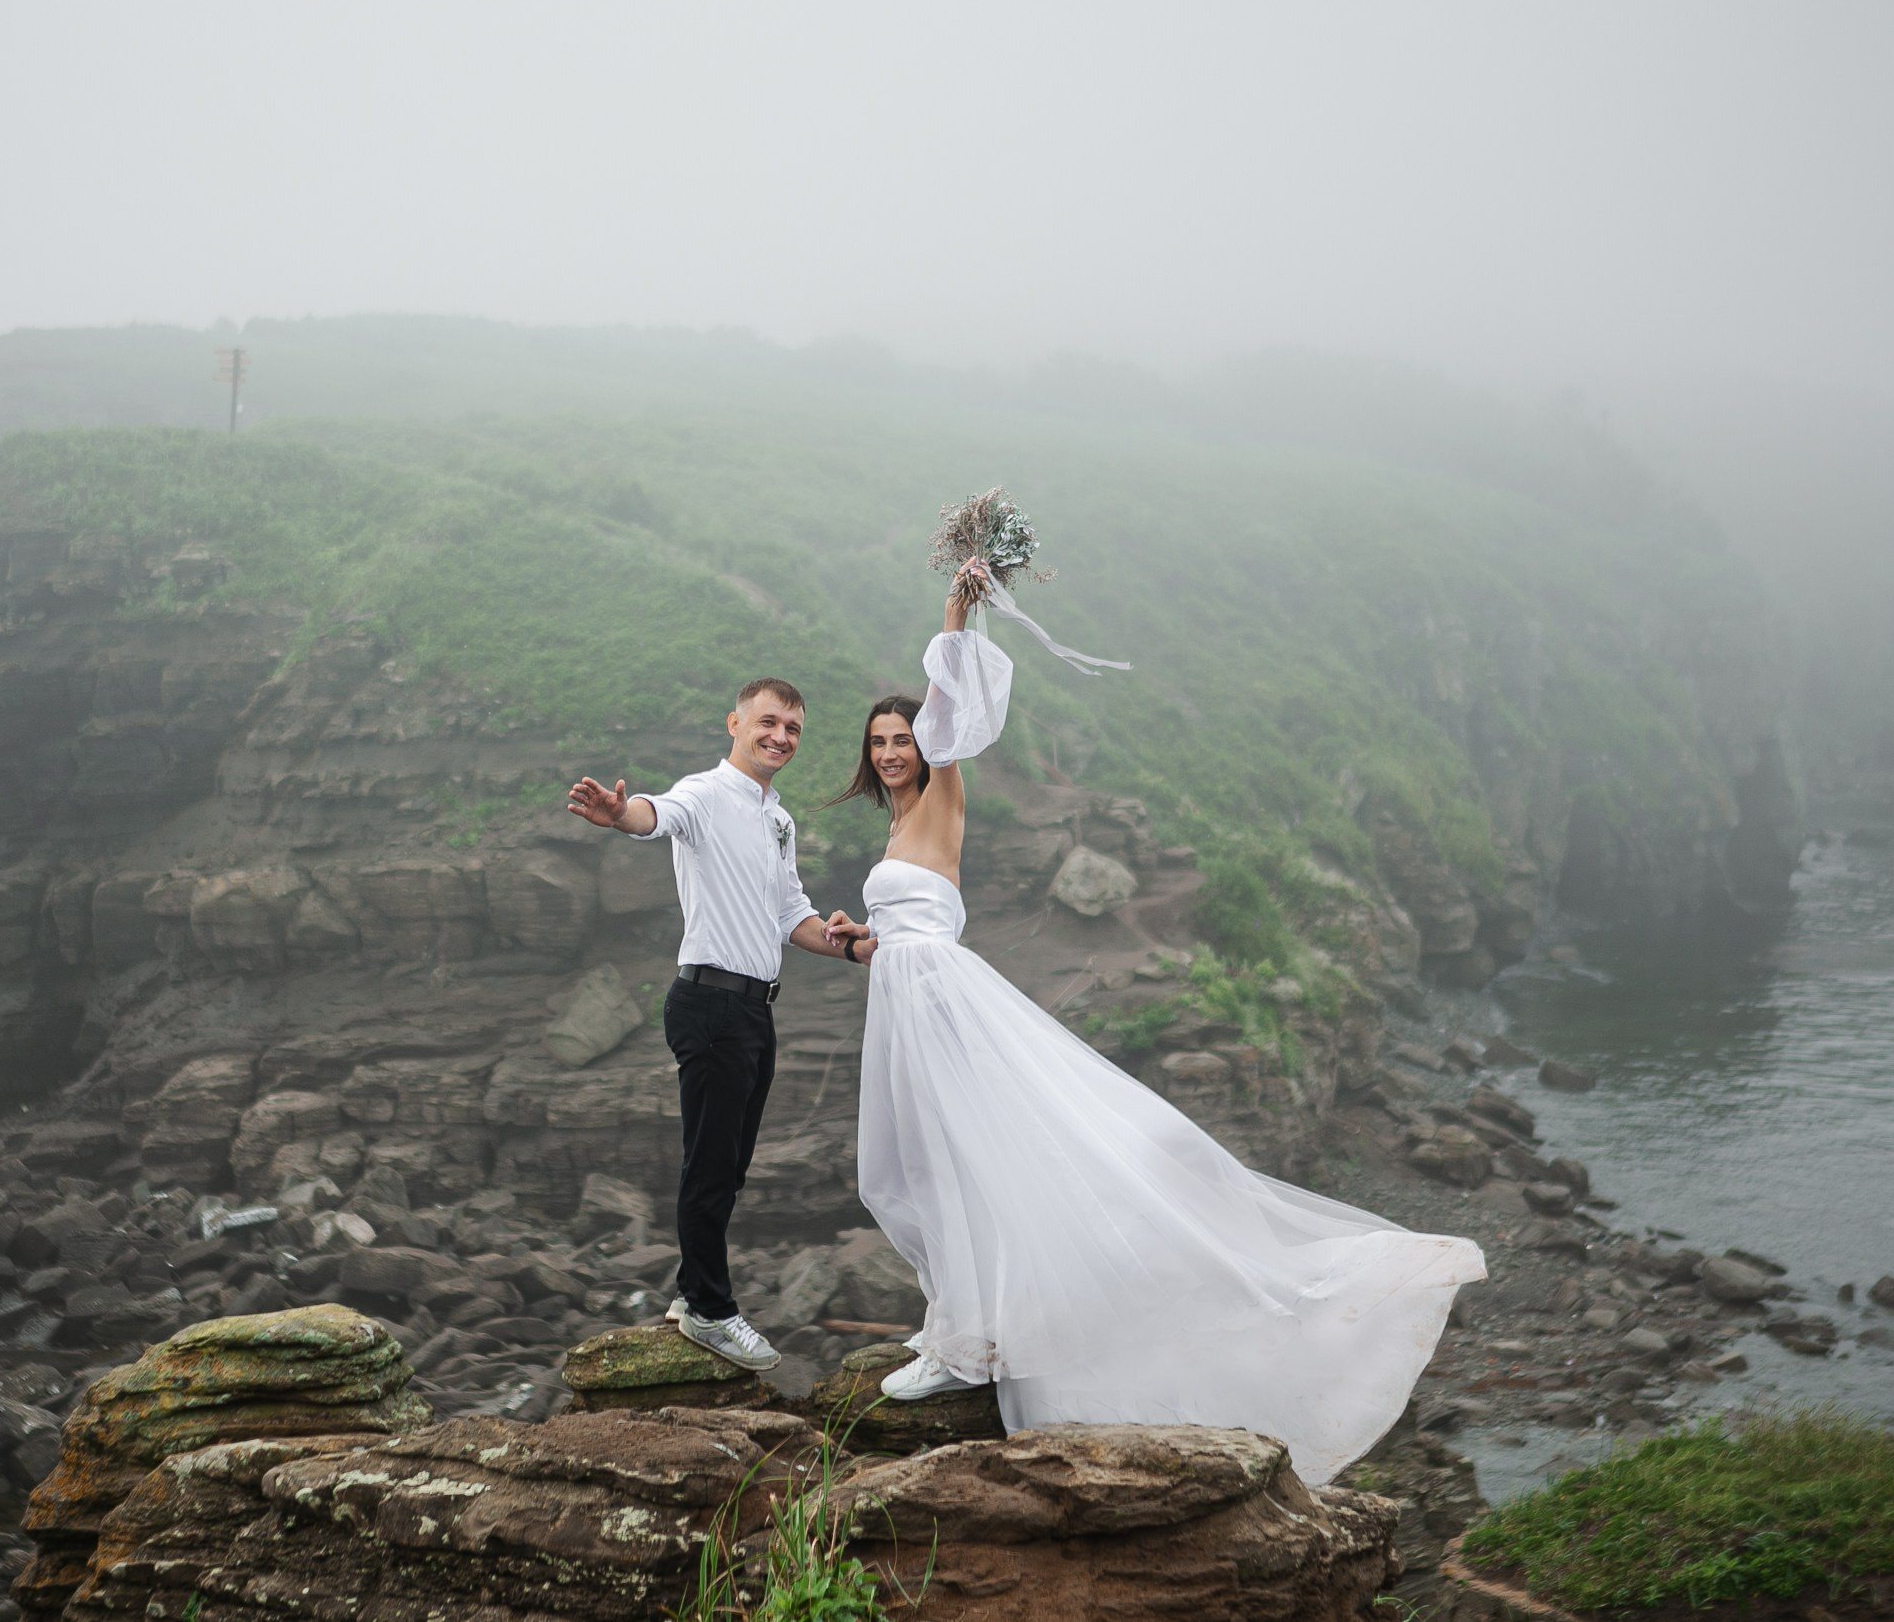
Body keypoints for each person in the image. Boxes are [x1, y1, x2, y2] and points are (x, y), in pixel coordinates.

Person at [817, 559, 1486, 1486]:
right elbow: (908, 924)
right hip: (906, 990)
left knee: (962, 1156)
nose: (894, 750)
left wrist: (957, 609)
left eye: (902, 738)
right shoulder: (894, 828)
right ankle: (959, 1326)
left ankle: (967, 1342)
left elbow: (952, 704)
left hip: (942, 1002)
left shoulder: (943, 792)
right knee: (918, 1162)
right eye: (880, 740)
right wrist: (861, 940)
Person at [566, 676, 871, 1372]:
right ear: (734, 722)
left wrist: (858, 946)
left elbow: (792, 913)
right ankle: (709, 1307)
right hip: (707, 1003)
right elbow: (655, 814)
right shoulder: (704, 793)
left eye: (792, 728)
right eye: (768, 722)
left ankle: (690, 1297)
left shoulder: (778, 817)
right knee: (709, 1163)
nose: (780, 737)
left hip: (755, 1008)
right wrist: (621, 813)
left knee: (728, 1167)